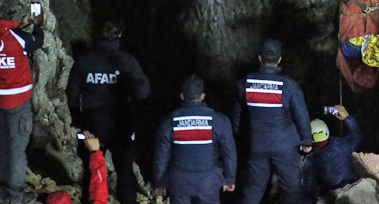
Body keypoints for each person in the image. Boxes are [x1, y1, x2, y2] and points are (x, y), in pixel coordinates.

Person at [66, 21, 150, 204]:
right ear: (118, 37)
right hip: (121, 122)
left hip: (92, 123)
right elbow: (143, 92)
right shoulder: (127, 61)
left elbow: (72, 93)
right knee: (125, 170)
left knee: (91, 169)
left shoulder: (84, 61)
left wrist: (77, 118)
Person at [0, 0, 44, 204]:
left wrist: (18, 26)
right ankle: (15, 195)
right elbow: (37, 41)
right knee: (16, 148)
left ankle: (2, 190)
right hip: (17, 100)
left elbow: (2, 37)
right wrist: (38, 24)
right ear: (13, 16)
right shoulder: (20, 39)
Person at [232, 39, 312, 204]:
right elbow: (301, 115)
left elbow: (237, 117)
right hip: (285, 146)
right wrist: (306, 141)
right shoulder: (289, 85)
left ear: (259, 58)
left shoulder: (245, 84)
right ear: (280, 59)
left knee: (253, 190)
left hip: (256, 145)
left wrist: (240, 136)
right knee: (292, 190)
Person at [154, 75, 236, 204]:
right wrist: (229, 179)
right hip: (208, 183)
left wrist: (160, 183)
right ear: (202, 96)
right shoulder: (219, 120)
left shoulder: (169, 121)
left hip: (179, 184)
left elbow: (161, 155)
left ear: (182, 96)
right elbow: (229, 153)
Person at [302, 104, 364, 203]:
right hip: (353, 187)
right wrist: (347, 117)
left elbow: (309, 189)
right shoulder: (342, 144)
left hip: (331, 195)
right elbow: (357, 135)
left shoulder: (311, 160)